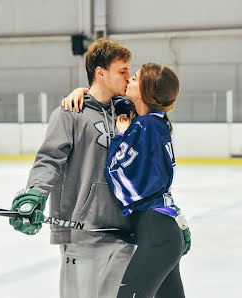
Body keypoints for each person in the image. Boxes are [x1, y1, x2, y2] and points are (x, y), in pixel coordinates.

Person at [8, 38, 136, 298]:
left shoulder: (128, 115)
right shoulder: (70, 113)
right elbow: (49, 159)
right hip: (83, 233)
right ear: (100, 73)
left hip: (125, 233)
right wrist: (35, 193)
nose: (128, 77)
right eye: (122, 71)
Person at [64, 63, 191, 297]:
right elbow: (111, 101)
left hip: (157, 234)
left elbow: (116, 171)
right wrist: (83, 91)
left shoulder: (145, 126)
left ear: (144, 92)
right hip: (164, 232)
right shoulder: (154, 120)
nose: (128, 81)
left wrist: (121, 135)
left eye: (134, 79)